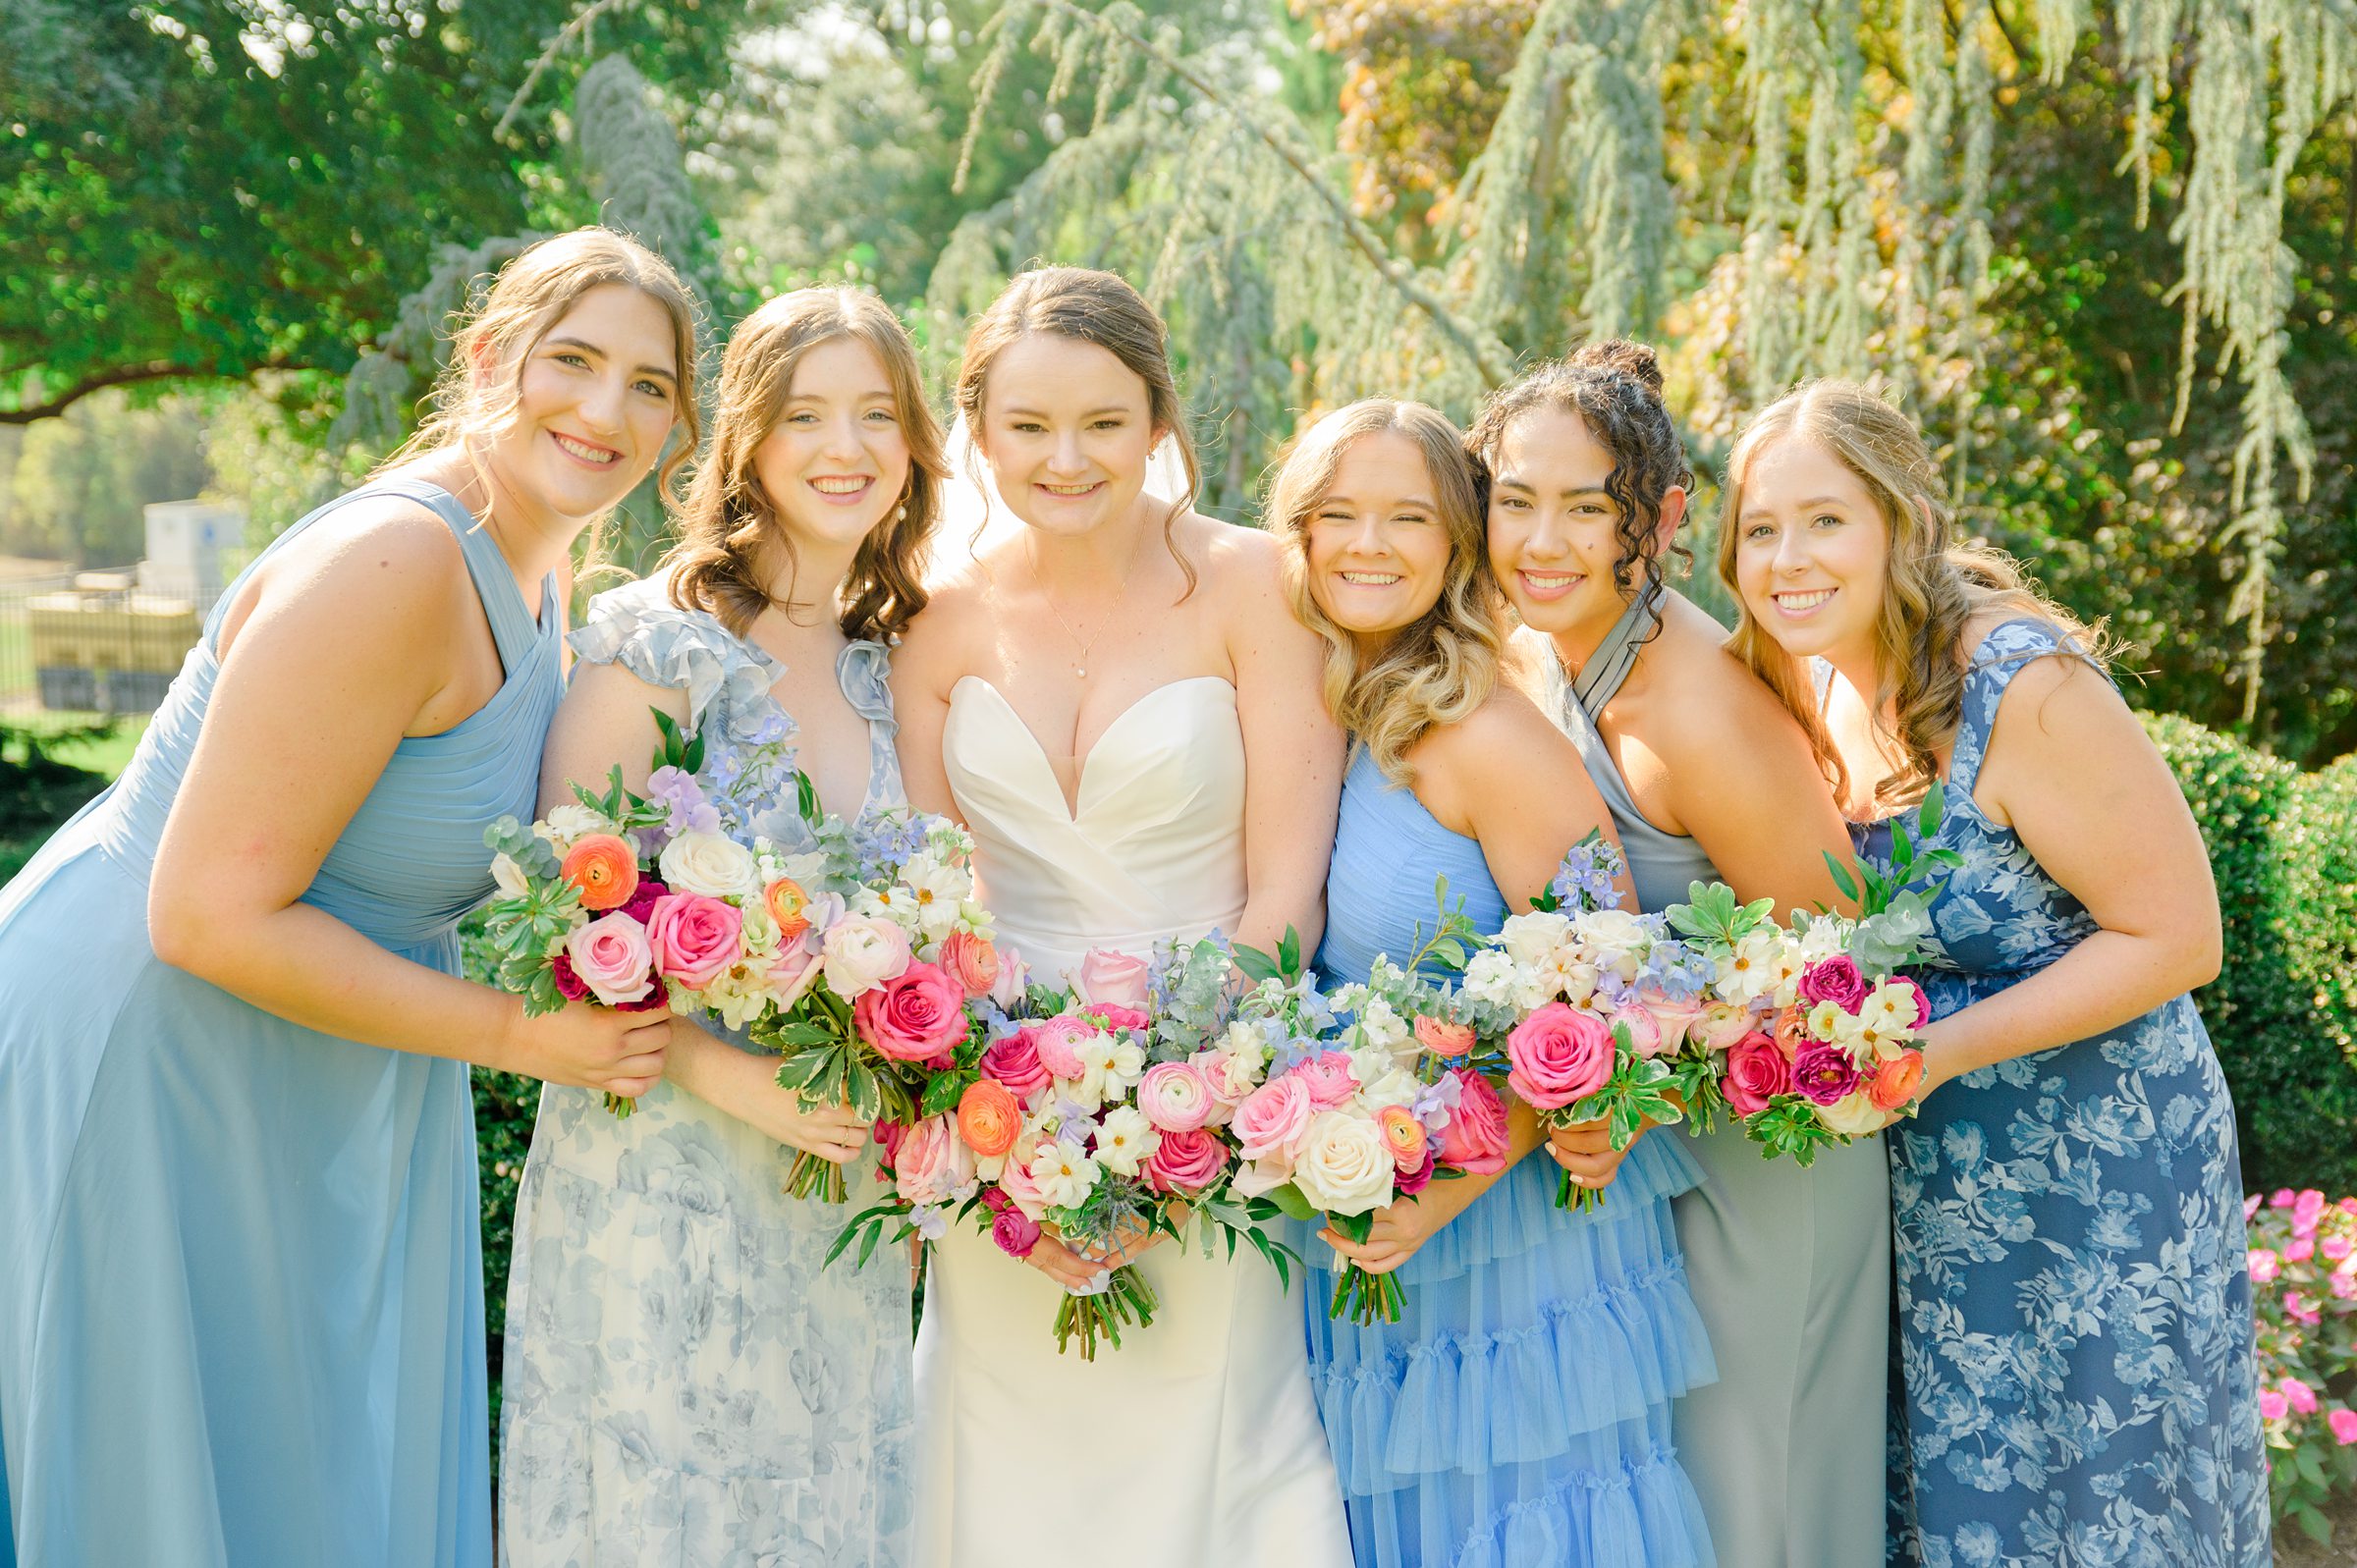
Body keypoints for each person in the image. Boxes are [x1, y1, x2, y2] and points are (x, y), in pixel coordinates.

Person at [0, 228, 694, 1568]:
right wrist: (519, 1036)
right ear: (490, 359)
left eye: (650, 385)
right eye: (573, 361)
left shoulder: (541, 576)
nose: (607, 411)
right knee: (151, 1484)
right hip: (150, 1046)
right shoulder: (399, 561)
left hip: (310, 1058)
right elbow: (204, 912)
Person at [1721, 378, 2270, 1566]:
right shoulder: (1795, 682)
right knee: (1963, 1506)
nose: (1788, 557)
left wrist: (1934, 1054)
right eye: (1760, 529)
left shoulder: (2018, 682)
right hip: (1935, 1185)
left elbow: (2179, 935)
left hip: (2102, 1168)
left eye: (1825, 519)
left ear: (1899, 520)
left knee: (2110, 1497)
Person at [893, 265, 1349, 1568]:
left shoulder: (1259, 587)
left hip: (1213, 1117)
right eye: (1028, 425)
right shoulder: (937, 625)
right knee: (1000, 1479)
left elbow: (1284, 901)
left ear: (1159, 420)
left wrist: (1178, 1116)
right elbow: (937, 918)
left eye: (1103, 420)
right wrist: (1007, 1138)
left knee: (1209, 1463)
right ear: (978, 433)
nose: (1066, 456)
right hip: (1001, 1135)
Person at [497, 287, 944, 1566]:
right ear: (745, 438)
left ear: (912, 442)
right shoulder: (657, 645)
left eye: (875, 414)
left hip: (839, 1190)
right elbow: (554, 920)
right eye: (806, 413)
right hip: (663, 1171)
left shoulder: (893, 660)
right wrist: (724, 1075)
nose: (845, 445)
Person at [1275, 396, 1717, 1568]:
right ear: (1299, 533)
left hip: (1512, 1232)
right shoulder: (1327, 709)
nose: (1369, 544)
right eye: (1339, 514)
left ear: (1458, 541)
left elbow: (1609, 981)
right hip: (1372, 1208)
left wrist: (1449, 1189)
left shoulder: (1485, 732)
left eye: (1408, 516)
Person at [1466, 342, 1885, 1565]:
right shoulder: (1541, 647)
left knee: (1761, 1491)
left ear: (1656, 518)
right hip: (1647, 1152)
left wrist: (1634, 1068)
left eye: (1584, 508)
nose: (1543, 540)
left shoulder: (1695, 706)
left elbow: (1835, 975)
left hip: (1767, 1155)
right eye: (1515, 499)